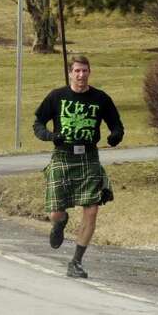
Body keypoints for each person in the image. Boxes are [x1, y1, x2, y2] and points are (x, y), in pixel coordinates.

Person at [33, 55, 124, 279]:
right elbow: (37, 123)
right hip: (63, 155)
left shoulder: (100, 98)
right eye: (77, 71)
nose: (81, 75)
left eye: (85, 71)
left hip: (89, 157)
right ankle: (60, 223)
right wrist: (50, 136)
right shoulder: (57, 96)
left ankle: (76, 262)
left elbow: (116, 124)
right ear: (70, 73)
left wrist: (115, 136)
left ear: (89, 72)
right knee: (56, 212)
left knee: (92, 210)